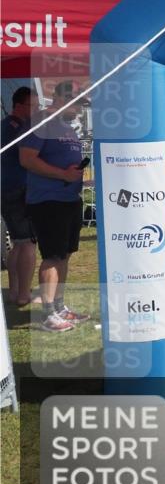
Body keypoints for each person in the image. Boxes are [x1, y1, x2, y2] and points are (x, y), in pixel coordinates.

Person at [19, 81, 90, 332]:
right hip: (48, 201)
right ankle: (48, 314)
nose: (80, 110)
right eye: (78, 104)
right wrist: (62, 174)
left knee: (64, 255)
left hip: (69, 200)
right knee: (52, 256)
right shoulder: (42, 122)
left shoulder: (67, 127)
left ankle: (59, 307)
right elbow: (26, 159)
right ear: (61, 98)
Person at [1, 86, 39, 306]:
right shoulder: (20, 129)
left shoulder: (6, 126)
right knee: (27, 244)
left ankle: (16, 290)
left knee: (18, 242)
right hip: (19, 189)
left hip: (8, 189)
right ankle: (24, 293)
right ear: (19, 106)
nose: (36, 110)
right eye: (33, 106)